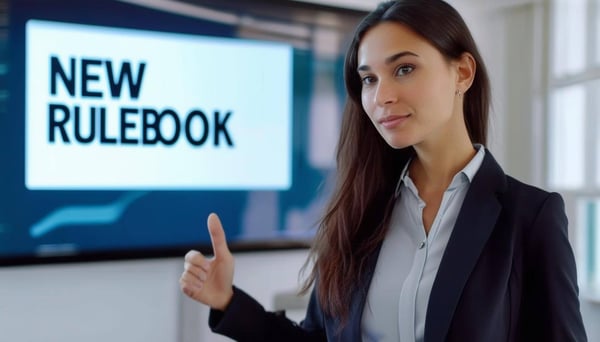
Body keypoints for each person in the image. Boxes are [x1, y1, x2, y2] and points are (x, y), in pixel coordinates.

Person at [179, 0, 588, 341]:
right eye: (369, 79)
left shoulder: (529, 218)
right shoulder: (361, 212)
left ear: (462, 72)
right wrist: (228, 301)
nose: (381, 96)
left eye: (404, 69)